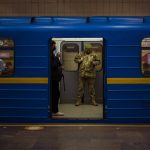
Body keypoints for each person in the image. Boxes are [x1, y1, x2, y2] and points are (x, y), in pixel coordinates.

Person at [51, 41, 64, 116]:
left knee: (56, 94)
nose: (55, 46)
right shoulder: (50, 54)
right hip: (53, 79)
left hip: (54, 78)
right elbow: (52, 66)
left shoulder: (52, 53)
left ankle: (54, 110)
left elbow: (56, 64)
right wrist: (57, 57)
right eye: (54, 45)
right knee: (56, 94)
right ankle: (55, 111)